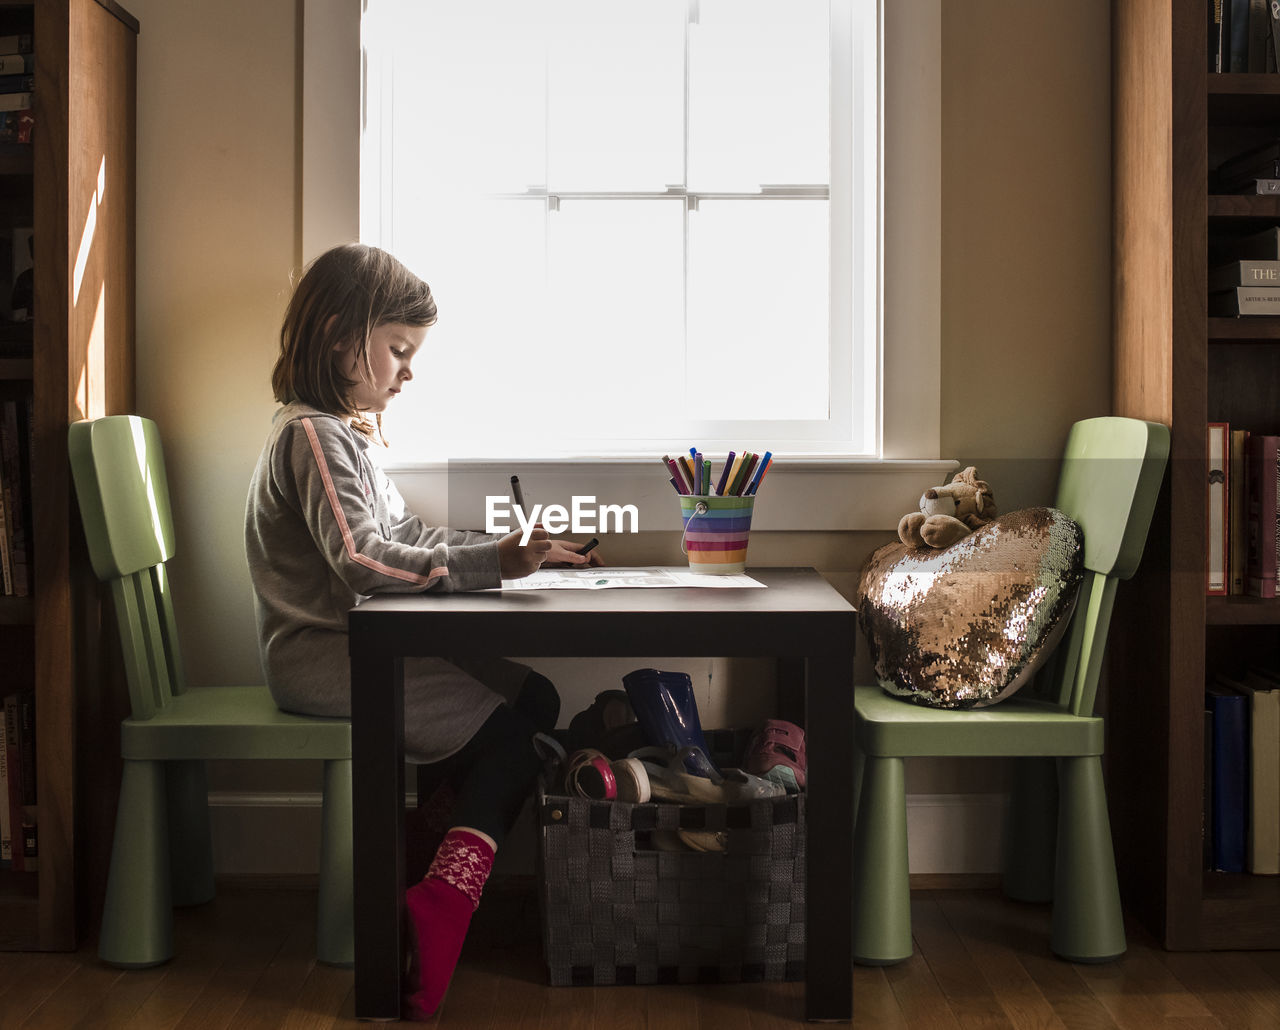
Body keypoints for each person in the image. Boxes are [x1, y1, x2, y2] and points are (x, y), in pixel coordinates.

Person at [244, 243, 601, 1019]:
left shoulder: (352, 435)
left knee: (535, 696)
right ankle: (444, 903)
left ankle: (421, 857)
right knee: (516, 739)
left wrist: (515, 555)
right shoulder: (312, 437)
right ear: (341, 337)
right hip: (328, 659)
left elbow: (410, 533)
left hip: (367, 648)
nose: (409, 372)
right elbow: (364, 560)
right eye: (398, 350)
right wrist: (495, 565)